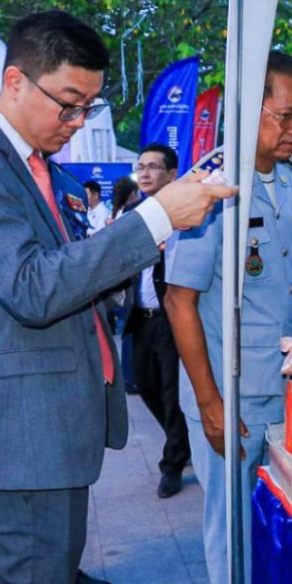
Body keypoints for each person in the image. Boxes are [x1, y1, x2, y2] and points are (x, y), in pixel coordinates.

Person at [0, 10, 234, 584]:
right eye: (68, 103)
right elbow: (32, 287)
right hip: (16, 439)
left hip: (53, 428)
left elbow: (71, 274)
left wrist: (136, 243)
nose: (76, 121)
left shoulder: (41, 167)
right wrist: (154, 218)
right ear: (15, 80)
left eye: (89, 107)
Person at [165, 51, 292, 584]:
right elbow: (179, 301)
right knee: (231, 531)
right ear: (250, 110)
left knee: (278, 526)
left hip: (285, 390)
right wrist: (209, 402)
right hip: (230, 396)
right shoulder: (210, 188)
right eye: (285, 116)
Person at [124, 143, 193, 499]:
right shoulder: (131, 215)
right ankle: (182, 441)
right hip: (140, 318)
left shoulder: (186, 216)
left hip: (172, 318)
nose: (145, 173)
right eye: (141, 167)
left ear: (172, 174)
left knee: (171, 393)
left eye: (153, 167)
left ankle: (172, 465)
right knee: (145, 387)